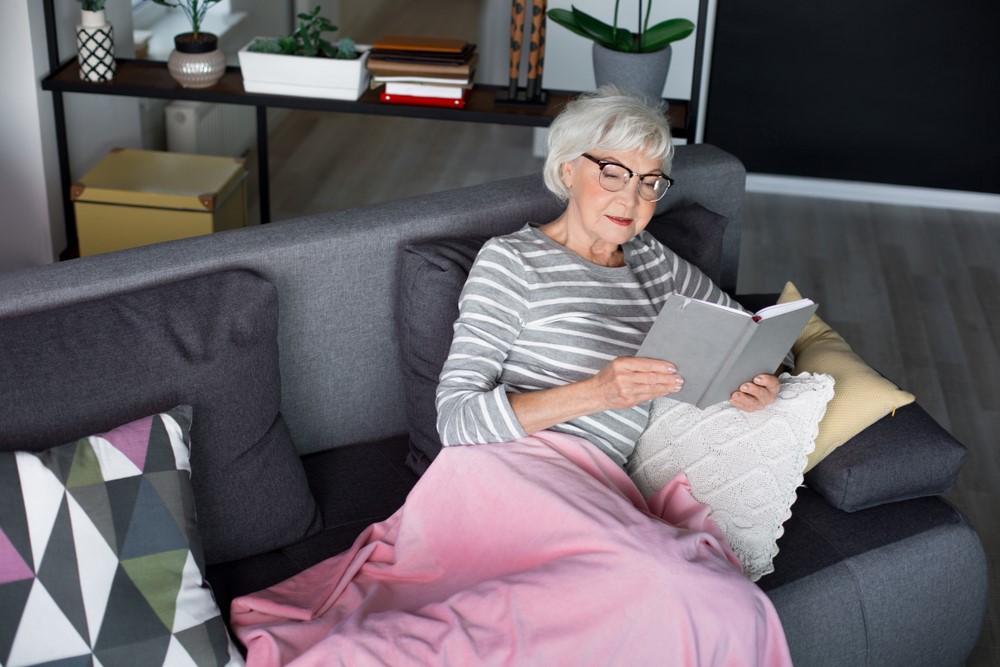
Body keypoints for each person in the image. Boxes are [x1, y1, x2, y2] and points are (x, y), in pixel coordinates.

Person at [436, 86, 780, 467]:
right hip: (510, 469)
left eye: (648, 182)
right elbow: (455, 419)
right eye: (613, 173)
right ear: (567, 170)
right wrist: (598, 393)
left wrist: (764, 380)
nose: (629, 200)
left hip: (597, 486)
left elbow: (748, 333)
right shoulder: (513, 261)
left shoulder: (652, 260)